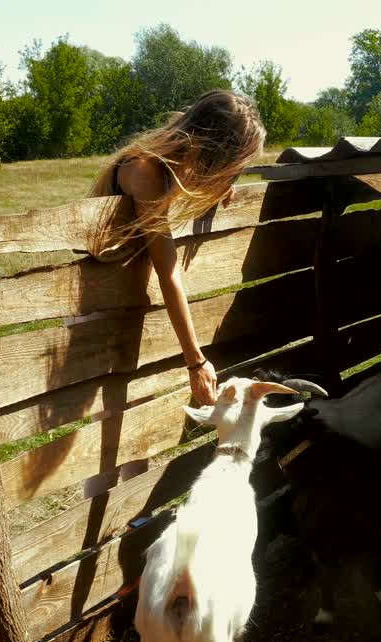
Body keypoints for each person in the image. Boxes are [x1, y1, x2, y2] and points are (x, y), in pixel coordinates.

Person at [89, 90, 266, 406]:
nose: (233, 173)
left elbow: (190, 185)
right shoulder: (145, 170)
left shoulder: (173, 166)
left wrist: (220, 187)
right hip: (98, 308)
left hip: (126, 305)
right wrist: (196, 361)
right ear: (216, 151)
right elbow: (167, 272)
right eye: (233, 165)